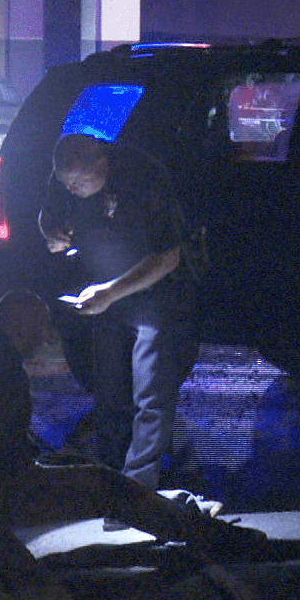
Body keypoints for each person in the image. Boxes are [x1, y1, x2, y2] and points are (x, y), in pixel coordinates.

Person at [0, 290, 259, 555]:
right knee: (104, 484)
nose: (44, 338)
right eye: (39, 328)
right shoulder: (2, 369)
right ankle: (204, 534)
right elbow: (3, 457)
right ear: (18, 327)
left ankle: (182, 517)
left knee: (82, 468)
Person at [39, 133, 200, 492]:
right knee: (109, 394)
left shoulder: (144, 177)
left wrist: (111, 291)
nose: (74, 188)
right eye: (67, 182)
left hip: (155, 295)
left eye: (80, 180)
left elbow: (167, 257)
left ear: (103, 164)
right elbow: (47, 212)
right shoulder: (64, 178)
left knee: (151, 396)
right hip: (103, 297)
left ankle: (138, 490)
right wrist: (50, 231)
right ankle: (110, 483)